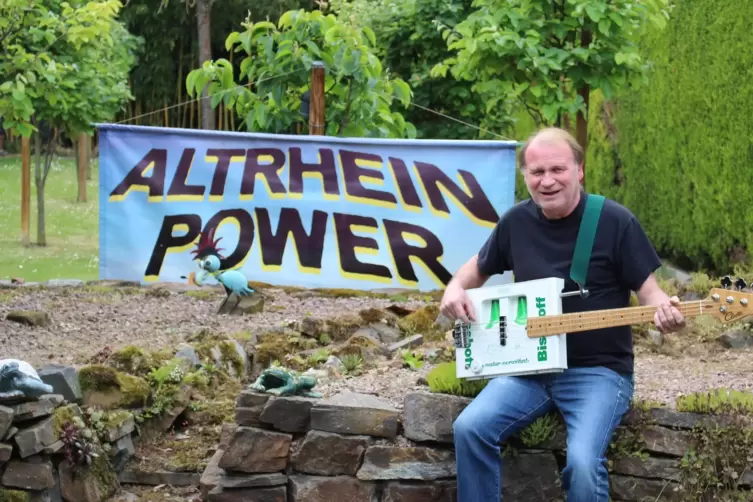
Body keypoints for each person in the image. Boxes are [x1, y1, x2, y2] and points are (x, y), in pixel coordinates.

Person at [440, 127, 685, 501]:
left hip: (599, 372)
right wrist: (454, 289)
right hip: (528, 370)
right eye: (537, 172)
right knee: (470, 428)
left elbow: (651, 292)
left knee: (584, 463)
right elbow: (474, 270)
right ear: (525, 176)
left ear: (580, 170)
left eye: (558, 170)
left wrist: (665, 312)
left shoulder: (615, 221)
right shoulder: (515, 222)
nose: (547, 181)